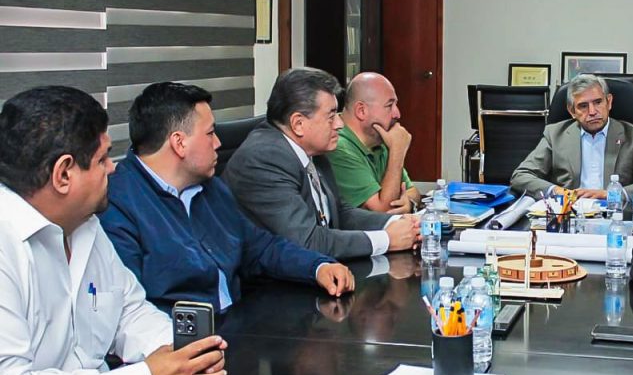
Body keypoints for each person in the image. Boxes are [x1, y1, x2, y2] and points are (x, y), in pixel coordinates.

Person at [0, 86, 226, 375]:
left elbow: (129, 311)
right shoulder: (7, 244)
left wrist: (182, 356)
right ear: (63, 174)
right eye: (103, 159)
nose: (113, 169)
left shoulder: (85, 224)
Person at [100, 82, 354, 310]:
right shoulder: (117, 205)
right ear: (179, 143)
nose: (218, 143)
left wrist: (318, 267)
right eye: (210, 133)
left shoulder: (210, 187)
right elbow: (131, 310)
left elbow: (260, 248)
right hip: (180, 339)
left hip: (239, 324)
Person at [222, 68, 419, 261]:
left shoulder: (314, 150)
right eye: (331, 116)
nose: (339, 124)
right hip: (271, 276)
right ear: (298, 124)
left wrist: (401, 223)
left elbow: (338, 213)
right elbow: (307, 241)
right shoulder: (265, 159)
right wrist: (387, 239)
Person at [510, 74, 633, 200]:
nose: (592, 112)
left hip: (615, 216)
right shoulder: (555, 134)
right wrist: (557, 191)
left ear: (609, 102)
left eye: (598, 102)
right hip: (570, 215)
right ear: (572, 111)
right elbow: (521, 176)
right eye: (583, 106)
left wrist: (612, 195)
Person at [327, 72, 422, 213]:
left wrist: (409, 202)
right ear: (361, 111)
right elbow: (383, 212)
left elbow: (412, 190)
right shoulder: (337, 146)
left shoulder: (378, 139)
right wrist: (398, 151)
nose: (397, 114)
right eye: (389, 105)